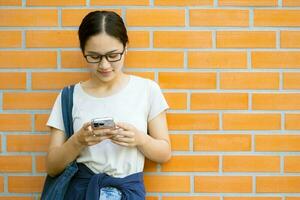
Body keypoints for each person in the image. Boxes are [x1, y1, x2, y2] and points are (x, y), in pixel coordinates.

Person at [45, 10, 171, 200]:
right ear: (83, 52)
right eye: (94, 56)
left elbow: (164, 153)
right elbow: (52, 166)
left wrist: (140, 139)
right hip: (81, 193)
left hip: (128, 192)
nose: (104, 65)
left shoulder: (147, 89)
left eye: (113, 55)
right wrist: (78, 140)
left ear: (126, 47)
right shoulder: (69, 96)